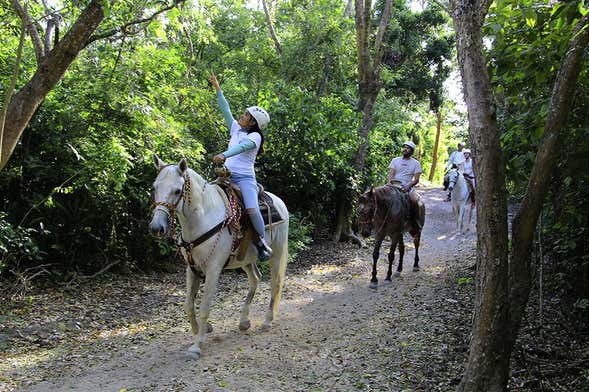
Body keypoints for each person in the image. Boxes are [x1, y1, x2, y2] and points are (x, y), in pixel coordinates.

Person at [209, 73, 272, 261]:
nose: (241, 116)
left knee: (251, 209)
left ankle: (261, 242)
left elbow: (242, 147)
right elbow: (225, 109)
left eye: (246, 115)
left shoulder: (256, 137)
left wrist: (224, 155)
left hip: (244, 179)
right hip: (226, 176)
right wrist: (217, 88)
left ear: (253, 122)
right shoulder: (236, 128)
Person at [388, 141, 424, 229]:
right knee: (379, 196)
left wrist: (408, 186)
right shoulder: (395, 160)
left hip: (407, 187)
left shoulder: (416, 163)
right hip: (393, 185)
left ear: (411, 151)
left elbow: (416, 179)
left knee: (415, 200)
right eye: (404, 147)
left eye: (408, 148)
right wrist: (389, 183)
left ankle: (415, 222)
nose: (405, 149)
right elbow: (391, 174)